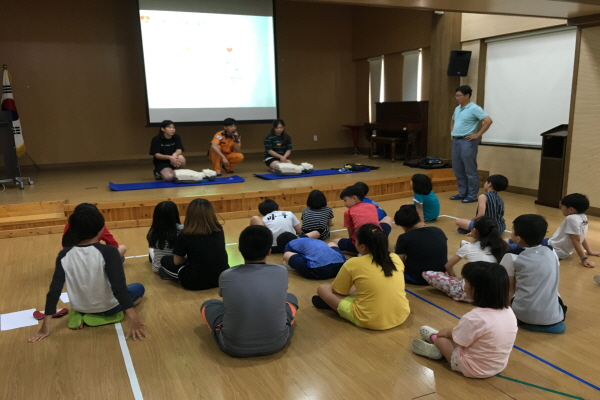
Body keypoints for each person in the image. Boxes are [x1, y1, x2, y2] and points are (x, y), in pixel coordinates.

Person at [29, 206, 146, 342]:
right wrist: (133, 317)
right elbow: (118, 288)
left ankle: (80, 315)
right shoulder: (110, 252)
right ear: (101, 229)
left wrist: (45, 326)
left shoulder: (63, 254)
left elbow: (54, 291)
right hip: (107, 308)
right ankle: (101, 317)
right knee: (138, 288)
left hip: (79, 306)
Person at [200, 225, 298, 357]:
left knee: (208, 305)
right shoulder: (281, 271)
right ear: (269, 251)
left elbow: (225, 300)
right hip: (277, 343)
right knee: (291, 298)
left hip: (232, 346)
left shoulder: (227, 275)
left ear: (239, 249)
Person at [411, 262, 517, 379]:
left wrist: (446, 332)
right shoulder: (509, 311)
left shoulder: (475, 317)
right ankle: (438, 344)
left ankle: (436, 344)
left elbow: (459, 340)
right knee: (465, 338)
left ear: (477, 290)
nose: (464, 286)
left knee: (442, 339)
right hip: (498, 366)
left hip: (472, 368)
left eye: (466, 282)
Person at [312, 224, 410, 330]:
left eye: (356, 241)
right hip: (402, 314)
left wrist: (350, 292)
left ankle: (333, 306)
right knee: (360, 291)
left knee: (322, 289)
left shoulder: (353, 263)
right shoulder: (395, 257)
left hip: (369, 320)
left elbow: (337, 291)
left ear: (363, 247)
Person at [501, 214, 567, 333]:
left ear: (518, 239)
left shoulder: (511, 256)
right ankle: (543, 322)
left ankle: (526, 320)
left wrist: (506, 314)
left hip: (523, 313)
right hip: (554, 316)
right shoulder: (551, 251)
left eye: (513, 231)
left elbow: (508, 289)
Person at [422, 216, 508, 302]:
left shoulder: (468, 248)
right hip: (490, 293)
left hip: (469, 293)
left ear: (475, 230)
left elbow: (448, 266)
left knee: (427, 274)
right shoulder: (500, 246)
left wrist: (454, 278)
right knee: (463, 243)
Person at [509, 193, 600, 268]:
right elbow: (581, 236)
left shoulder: (571, 219)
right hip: (553, 242)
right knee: (530, 239)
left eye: (562, 206)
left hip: (555, 249)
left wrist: (584, 259)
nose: (561, 208)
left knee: (521, 245)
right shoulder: (583, 217)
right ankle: (508, 242)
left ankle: (506, 246)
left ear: (571, 209)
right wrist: (589, 251)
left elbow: (576, 240)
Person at [159, 199, 229, 290]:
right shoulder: (219, 229)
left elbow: (177, 261)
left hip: (194, 282)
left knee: (164, 260)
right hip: (222, 277)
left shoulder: (185, 234)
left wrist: (192, 258)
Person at [449, 85, 493, 203]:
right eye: (456, 95)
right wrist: (452, 133)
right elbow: (452, 120)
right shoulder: (457, 108)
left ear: (467, 96)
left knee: (470, 169)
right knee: (458, 169)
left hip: (467, 142)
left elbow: (488, 121)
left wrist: (478, 134)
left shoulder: (474, 108)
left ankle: (472, 195)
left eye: (459, 95)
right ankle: (462, 193)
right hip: (456, 141)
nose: (456, 98)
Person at [331, 185, 393, 255]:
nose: (344, 204)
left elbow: (350, 230)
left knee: (334, 241)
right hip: (378, 237)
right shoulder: (371, 206)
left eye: (345, 200)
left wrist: (351, 242)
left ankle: (356, 252)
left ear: (354, 198)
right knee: (387, 218)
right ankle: (380, 245)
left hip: (362, 243)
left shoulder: (348, 212)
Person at [394, 205, 447, 285]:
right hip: (439, 275)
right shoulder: (438, 230)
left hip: (417, 278)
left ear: (403, 226)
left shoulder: (404, 237)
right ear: (419, 217)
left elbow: (399, 262)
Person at [62, 203, 127, 258]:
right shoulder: (99, 226)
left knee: (62, 249)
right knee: (122, 248)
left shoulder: (70, 225)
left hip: (74, 258)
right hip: (95, 258)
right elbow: (113, 245)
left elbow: (65, 245)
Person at [279, 232, 347, 279]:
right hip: (340, 266)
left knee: (287, 254)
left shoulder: (289, 245)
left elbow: (289, 254)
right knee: (331, 243)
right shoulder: (306, 239)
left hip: (318, 270)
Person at [147, 201, 183, 273]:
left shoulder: (153, 232)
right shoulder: (182, 229)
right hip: (176, 267)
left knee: (151, 250)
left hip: (157, 268)